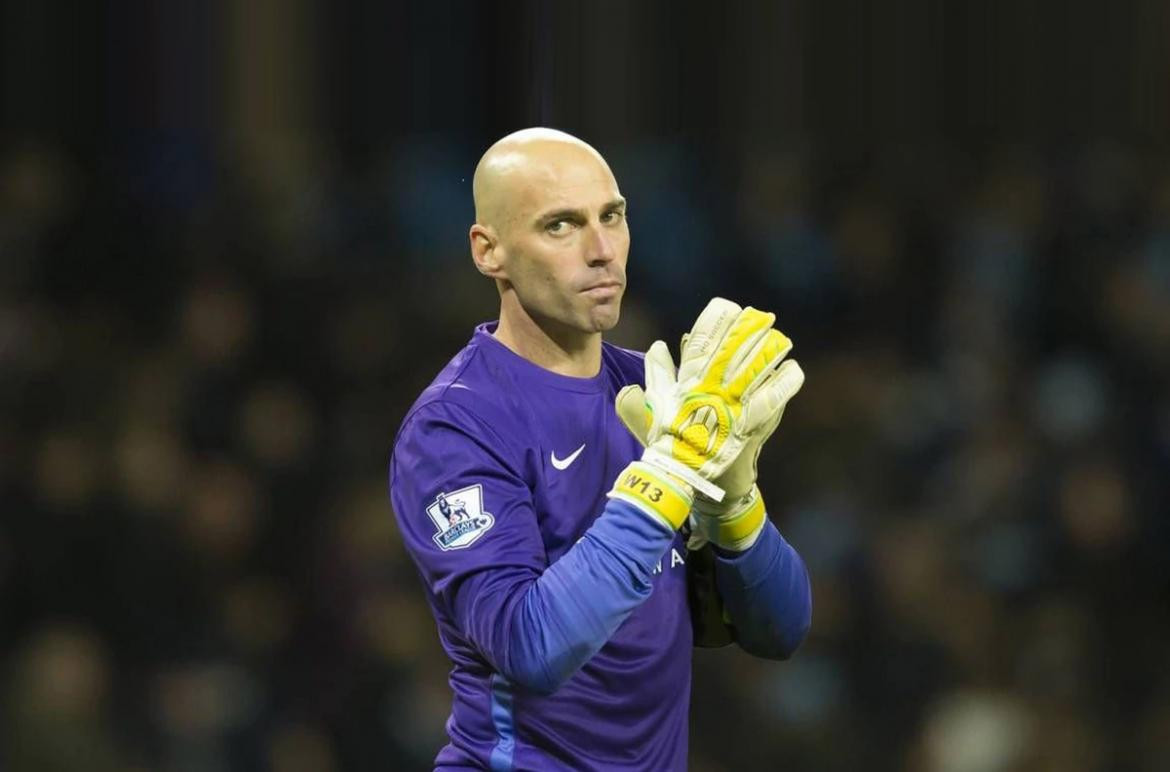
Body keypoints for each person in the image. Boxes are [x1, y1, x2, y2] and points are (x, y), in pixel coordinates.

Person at [389, 128, 812, 771]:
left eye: (611, 216)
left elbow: (780, 630)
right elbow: (530, 647)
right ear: (488, 251)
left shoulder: (654, 394)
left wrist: (734, 505)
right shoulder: (454, 426)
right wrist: (665, 478)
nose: (602, 251)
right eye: (560, 225)